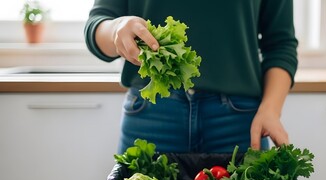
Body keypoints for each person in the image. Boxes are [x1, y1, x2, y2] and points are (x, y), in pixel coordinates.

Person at [84, 0, 298, 154]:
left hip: (238, 122)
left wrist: (271, 109)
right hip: (152, 113)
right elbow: (97, 23)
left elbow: (280, 44)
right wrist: (116, 30)